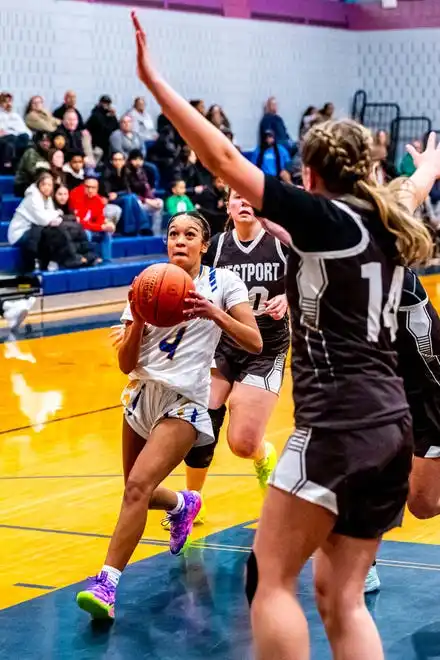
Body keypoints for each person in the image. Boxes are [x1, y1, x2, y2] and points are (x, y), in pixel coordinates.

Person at [130, 13, 440, 657]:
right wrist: (430, 166)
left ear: (311, 173)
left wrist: (155, 83)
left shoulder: (324, 218)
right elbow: (412, 186)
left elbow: (219, 156)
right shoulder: (389, 216)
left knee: (270, 580)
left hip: (336, 428)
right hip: (392, 431)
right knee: (341, 596)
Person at [75, 209, 262, 620]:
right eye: (174, 233)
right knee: (136, 490)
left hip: (185, 403)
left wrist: (215, 313)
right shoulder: (148, 283)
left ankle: (106, 584)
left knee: (137, 487)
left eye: (190, 234)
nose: (180, 240)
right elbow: (126, 363)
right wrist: (138, 319)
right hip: (141, 396)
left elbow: (255, 341)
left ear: (204, 244)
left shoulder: (223, 283)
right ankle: (182, 504)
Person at [184, 189, 289, 521]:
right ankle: (190, 503)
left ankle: (261, 455)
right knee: (201, 420)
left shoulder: (281, 243)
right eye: (236, 197)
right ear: (226, 205)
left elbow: (317, 279)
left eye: (250, 197)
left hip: (265, 347)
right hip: (223, 344)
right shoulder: (216, 247)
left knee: (242, 443)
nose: (244, 203)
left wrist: (290, 297)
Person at [365, 268, 440, 593]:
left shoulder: (394, 276)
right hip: (382, 395)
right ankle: (363, 562)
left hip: (429, 396)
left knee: (422, 506)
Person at [69, 177, 117, 261]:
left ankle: (106, 260)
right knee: (86, 233)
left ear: (97, 189)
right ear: (83, 186)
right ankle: (89, 258)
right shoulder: (76, 195)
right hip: (75, 227)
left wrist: (107, 225)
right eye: (87, 187)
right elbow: (80, 222)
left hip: (90, 226)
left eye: (93, 188)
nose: (90, 190)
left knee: (106, 234)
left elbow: (100, 219)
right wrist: (100, 227)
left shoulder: (98, 200)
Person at [54, 184, 99, 267]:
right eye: (60, 194)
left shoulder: (69, 207)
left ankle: (88, 255)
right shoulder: (51, 206)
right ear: (54, 195)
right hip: (58, 239)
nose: (63, 197)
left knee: (80, 228)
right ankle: (74, 258)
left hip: (72, 235)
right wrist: (73, 218)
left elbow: (77, 219)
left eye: (65, 194)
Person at [126, 149, 164, 235]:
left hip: (145, 200)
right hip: (135, 201)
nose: (138, 162)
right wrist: (146, 200)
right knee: (138, 204)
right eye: (135, 160)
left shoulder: (142, 171)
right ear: (130, 160)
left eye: (140, 160)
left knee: (160, 203)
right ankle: (142, 230)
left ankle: (156, 232)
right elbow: (129, 193)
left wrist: (153, 199)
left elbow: (146, 188)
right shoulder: (126, 173)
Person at [14, 131, 51, 196]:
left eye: (48, 141)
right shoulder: (31, 151)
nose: (46, 143)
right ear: (38, 141)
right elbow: (32, 172)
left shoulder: (47, 153)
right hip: (23, 184)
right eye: (43, 141)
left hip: (37, 182)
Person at [86, 95, 119, 159]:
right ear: (100, 103)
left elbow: (116, 128)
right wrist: (109, 117)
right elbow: (104, 128)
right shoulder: (95, 115)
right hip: (97, 144)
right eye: (104, 103)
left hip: (108, 144)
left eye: (108, 103)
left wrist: (113, 117)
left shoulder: (111, 115)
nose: (106, 105)